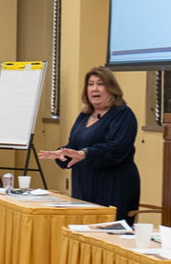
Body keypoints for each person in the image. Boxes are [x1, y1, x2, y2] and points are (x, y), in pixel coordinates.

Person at [38, 66, 140, 220]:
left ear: (111, 88)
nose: (94, 89)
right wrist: (63, 153)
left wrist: (85, 153)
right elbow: (74, 145)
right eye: (90, 84)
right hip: (83, 184)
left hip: (113, 186)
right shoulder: (85, 115)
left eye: (100, 84)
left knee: (108, 234)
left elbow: (116, 148)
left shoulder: (122, 114)